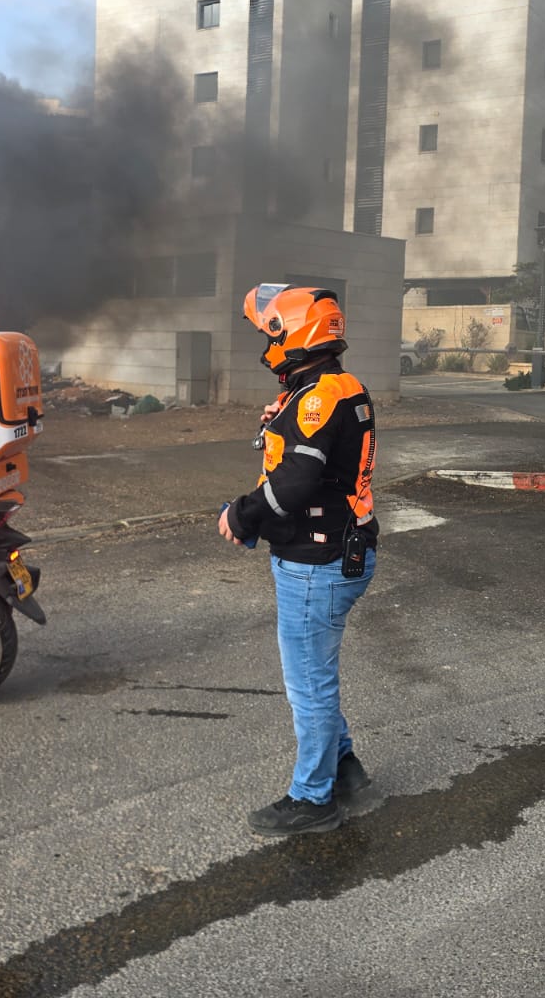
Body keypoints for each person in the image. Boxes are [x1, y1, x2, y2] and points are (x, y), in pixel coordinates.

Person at [219, 283, 379, 836]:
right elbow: (310, 457)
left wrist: (240, 516)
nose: (268, 346)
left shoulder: (317, 397)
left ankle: (314, 800)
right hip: (339, 550)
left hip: (317, 562)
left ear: (294, 335)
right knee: (318, 676)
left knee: (310, 686)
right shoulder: (335, 386)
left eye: (272, 334)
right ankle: (347, 771)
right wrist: (279, 422)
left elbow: (293, 484)